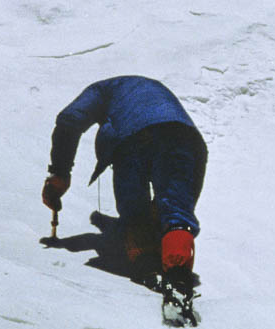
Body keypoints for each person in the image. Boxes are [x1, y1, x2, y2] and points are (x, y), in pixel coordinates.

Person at [41, 76, 207, 279]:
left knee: (134, 210)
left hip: (132, 139)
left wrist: (59, 173)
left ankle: (146, 264)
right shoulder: (151, 88)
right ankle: (179, 272)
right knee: (176, 211)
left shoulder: (101, 90)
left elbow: (70, 119)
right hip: (187, 140)